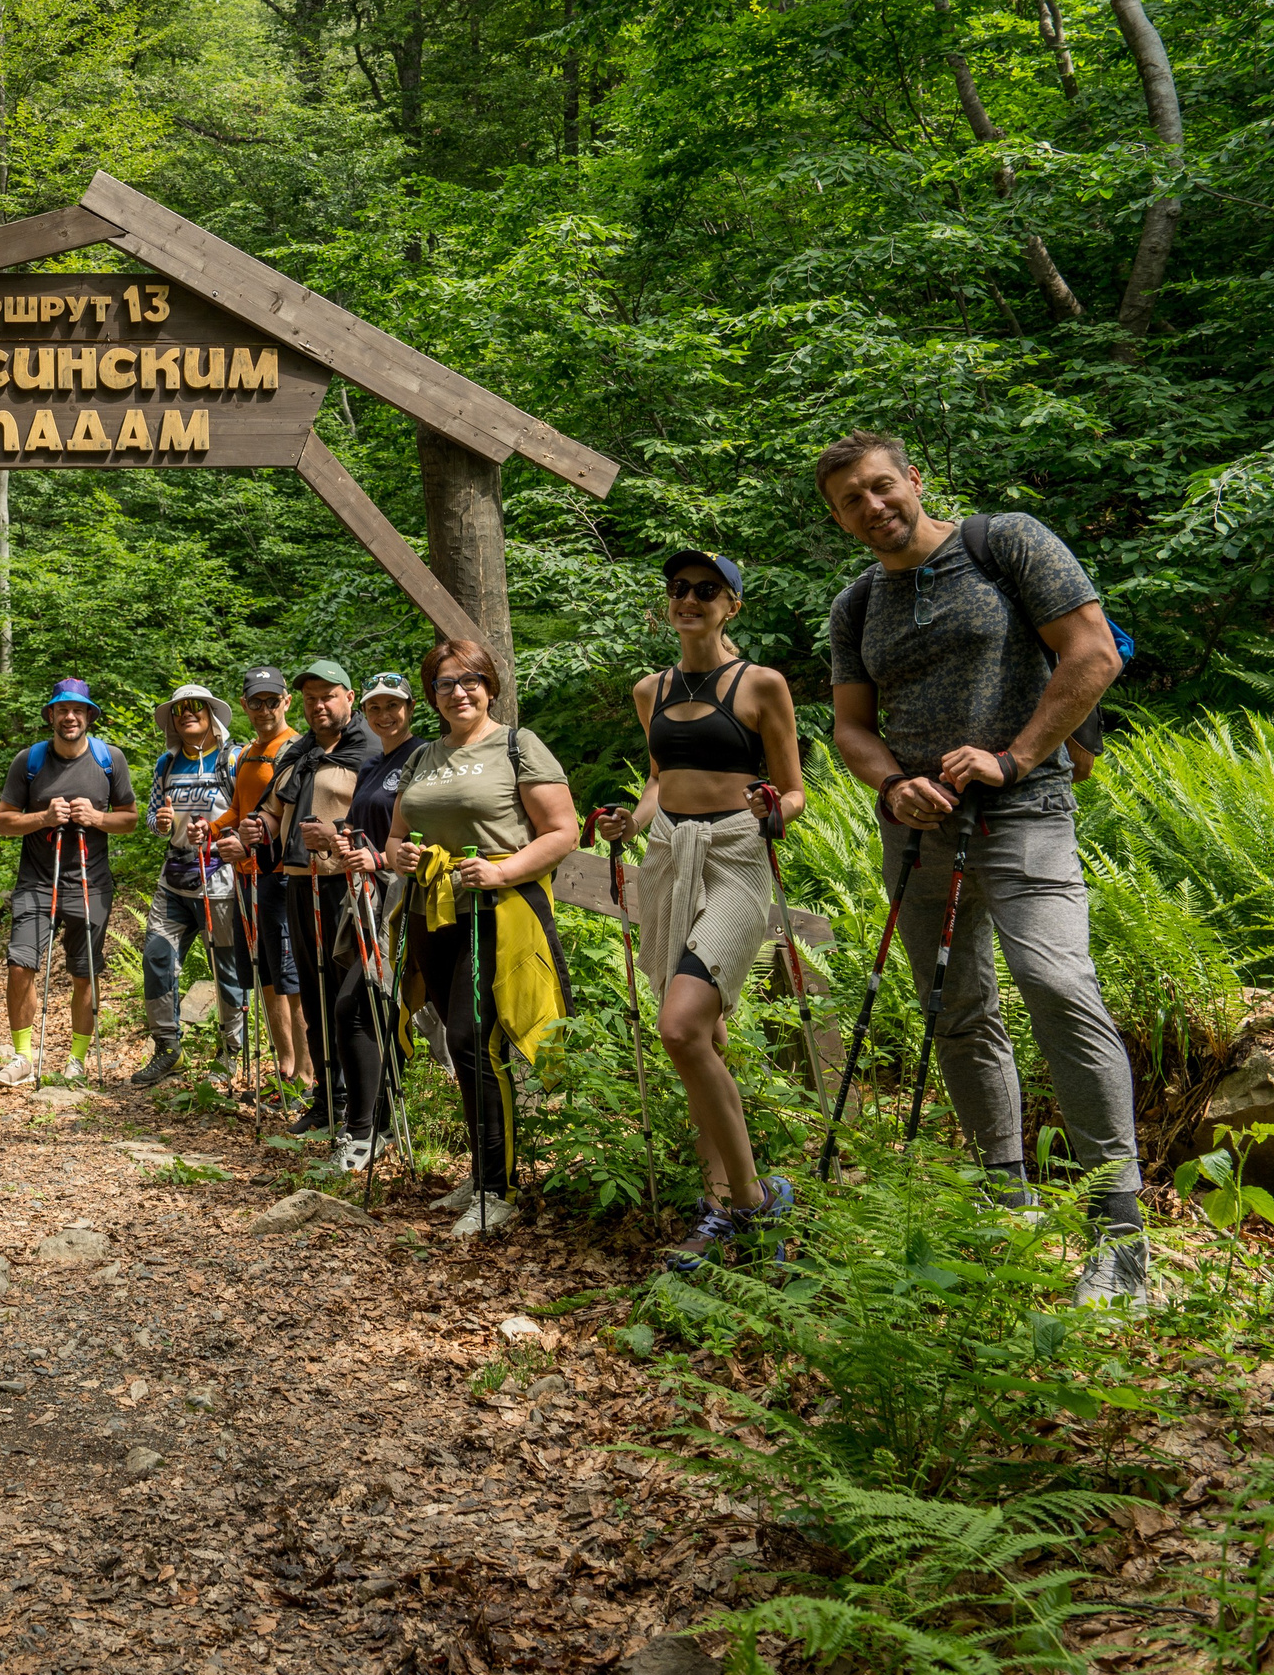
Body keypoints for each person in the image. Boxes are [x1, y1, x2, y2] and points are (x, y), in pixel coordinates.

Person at [818, 429, 1144, 1307]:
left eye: (883, 486)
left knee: (1058, 984)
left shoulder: (1009, 542)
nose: (873, 506)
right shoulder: (855, 606)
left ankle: (1120, 1243)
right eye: (852, 499)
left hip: (1025, 810)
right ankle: (1008, 1199)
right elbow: (852, 724)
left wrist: (1015, 756)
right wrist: (891, 785)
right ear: (839, 516)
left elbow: (1092, 655)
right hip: (918, 831)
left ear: (914, 477)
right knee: (956, 1007)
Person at [591, 555, 804, 1270]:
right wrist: (631, 821)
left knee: (680, 1025)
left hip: (737, 861)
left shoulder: (760, 684)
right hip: (669, 859)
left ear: (731, 605)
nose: (688, 599)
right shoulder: (649, 689)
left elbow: (794, 790)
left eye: (705, 590)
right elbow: (658, 780)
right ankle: (719, 1204)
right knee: (700, 1037)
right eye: (679, 589)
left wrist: (774, 809)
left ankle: (750, 1199)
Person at [385, 639, 582, 1236]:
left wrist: (501, 869)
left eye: (470, 679)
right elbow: (395, 839)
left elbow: (562, 830)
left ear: (490, 685)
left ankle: (498, 1189)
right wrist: (404, 855)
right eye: (445, 683)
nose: (459, 691)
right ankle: (484, 1172)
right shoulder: (423, 757)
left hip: (499, 911)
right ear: (433, 695)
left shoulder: (518, 746)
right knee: (459, 1040)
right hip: (433, 909)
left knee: (476, 1041)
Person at [247, 660, 375, 1146]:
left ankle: (365, 1106)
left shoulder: (370, 750)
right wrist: (255, 830)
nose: (318, 705)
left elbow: (382, 819)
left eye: (328, 696)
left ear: (349, 696)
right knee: (317, 997)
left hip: (347, 885)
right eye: (310, 698)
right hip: (299, 882)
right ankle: (328, 1099)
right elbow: (274, 811)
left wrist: (338, 834)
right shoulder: (299, 752)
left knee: (349, 999)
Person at [0, 678, 138, 1087]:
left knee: (84, 972)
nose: (70, 717)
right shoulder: (29, 761)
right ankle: (22, 1057)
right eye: (62, 710)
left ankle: (76, 1059)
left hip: (91, 883)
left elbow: (129, 818)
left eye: (78, 710)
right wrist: (42, 817)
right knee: (21, 966)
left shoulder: (110, 760)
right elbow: (3, 821)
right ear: (51, 715)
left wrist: (96, 818)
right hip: (37, 882)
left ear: (89, 715)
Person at [328, 672, 428, 1169]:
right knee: (366, 1004)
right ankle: (376, 1124)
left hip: (407, 900)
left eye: (393, 706)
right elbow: (361, 825)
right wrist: (342, 840)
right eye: (375, 708)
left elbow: (425, 830)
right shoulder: (372, 763)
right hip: (368, 902)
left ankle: (364, 1130)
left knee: (363, 1005)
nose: (385, 715)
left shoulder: (425, 755)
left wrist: (381, 861)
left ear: (411, 708)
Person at [133, 683, 249, 1087]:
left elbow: (248, 815)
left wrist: (219, 835)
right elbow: (152, 816)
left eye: (196, 707)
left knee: (228, 969)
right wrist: (160, 824)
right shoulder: (166, 764)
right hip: (174, 880)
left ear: (212, 714)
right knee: (156, 956)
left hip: (221, 883)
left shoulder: (234, 760)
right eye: (180, 710)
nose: (187, 714)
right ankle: (168, 1047)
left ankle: (231, 1053)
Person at [205, 666, 311, 1105]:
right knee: (266, 973)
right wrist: (209, 832)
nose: (265, 709)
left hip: (279, 874)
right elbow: (237, 809)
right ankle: (285, 1068)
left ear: (287, 701)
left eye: (273, 700)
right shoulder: (248, 752)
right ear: (245, 706)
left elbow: (286, 817)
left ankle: (307, 1074)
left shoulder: (298, 749)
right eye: (256, 702)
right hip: (247, 876)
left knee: (291, 975)